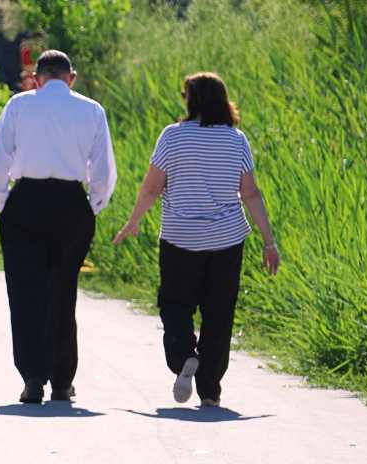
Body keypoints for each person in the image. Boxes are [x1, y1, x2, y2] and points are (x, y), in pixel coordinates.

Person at [112, 71, 280, 407]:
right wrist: (268, 241)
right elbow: (250, 193)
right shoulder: (236, 140)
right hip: (226, 241)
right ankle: (210, 391)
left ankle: (184, 356)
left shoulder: (172, 137)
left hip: (179, 239)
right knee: (219, 313)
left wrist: (133, 222)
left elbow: (151, 187)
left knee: (175, 304)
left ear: (192, 100)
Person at [0, 49, 117, 405]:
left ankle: (32, 377)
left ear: (36, 79)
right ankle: (61, 380)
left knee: (25, 292)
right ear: (71, 78)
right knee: (63, 291)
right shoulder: (91, 110)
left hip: (26, 201)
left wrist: (2, 201)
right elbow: (103, 171)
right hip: (71, 204)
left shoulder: (19, 105)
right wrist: (91, 206)